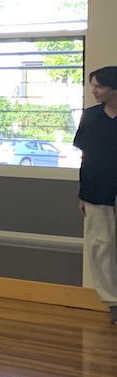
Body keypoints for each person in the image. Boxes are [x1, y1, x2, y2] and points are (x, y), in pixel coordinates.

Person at [75, 66, 117, 324]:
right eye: (93, 86)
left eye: (99, 86)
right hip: (97, 189)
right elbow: (85, 157)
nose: (94, 91)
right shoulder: (90, 116)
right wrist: (83, 194)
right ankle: (113, 302)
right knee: (101, 246)